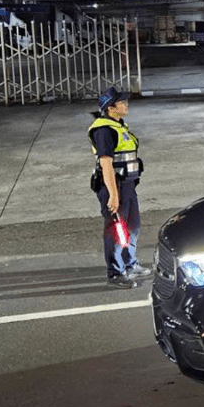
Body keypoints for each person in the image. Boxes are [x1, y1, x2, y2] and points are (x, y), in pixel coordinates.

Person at [88, 87, 151, 289]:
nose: (126, 104)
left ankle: (129, 264)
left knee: (132, 226)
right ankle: (115, 273)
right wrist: (113, 195)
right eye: (122, 102)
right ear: (111, 108)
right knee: (116, 229)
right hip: (114, 187)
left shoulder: (119, 126)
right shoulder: (103, 130)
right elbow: (106, 164)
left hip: (127, 186)